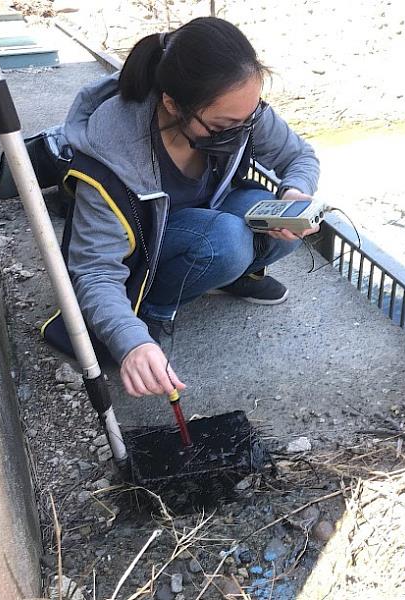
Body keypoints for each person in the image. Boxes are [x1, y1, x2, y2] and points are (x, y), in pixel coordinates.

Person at [53, 17, 320, 398]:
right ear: (172, 104)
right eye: (223, 125)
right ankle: (155, 309)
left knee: (282, 226)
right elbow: (94, 271)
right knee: (228, 241)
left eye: (249, 118)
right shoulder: (112, 152)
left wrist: (295, 193)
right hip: (146, 254)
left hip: (205, 218)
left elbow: (299, 156)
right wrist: (131, 341)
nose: (240, 130)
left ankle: (230, 273)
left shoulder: (239, 112)